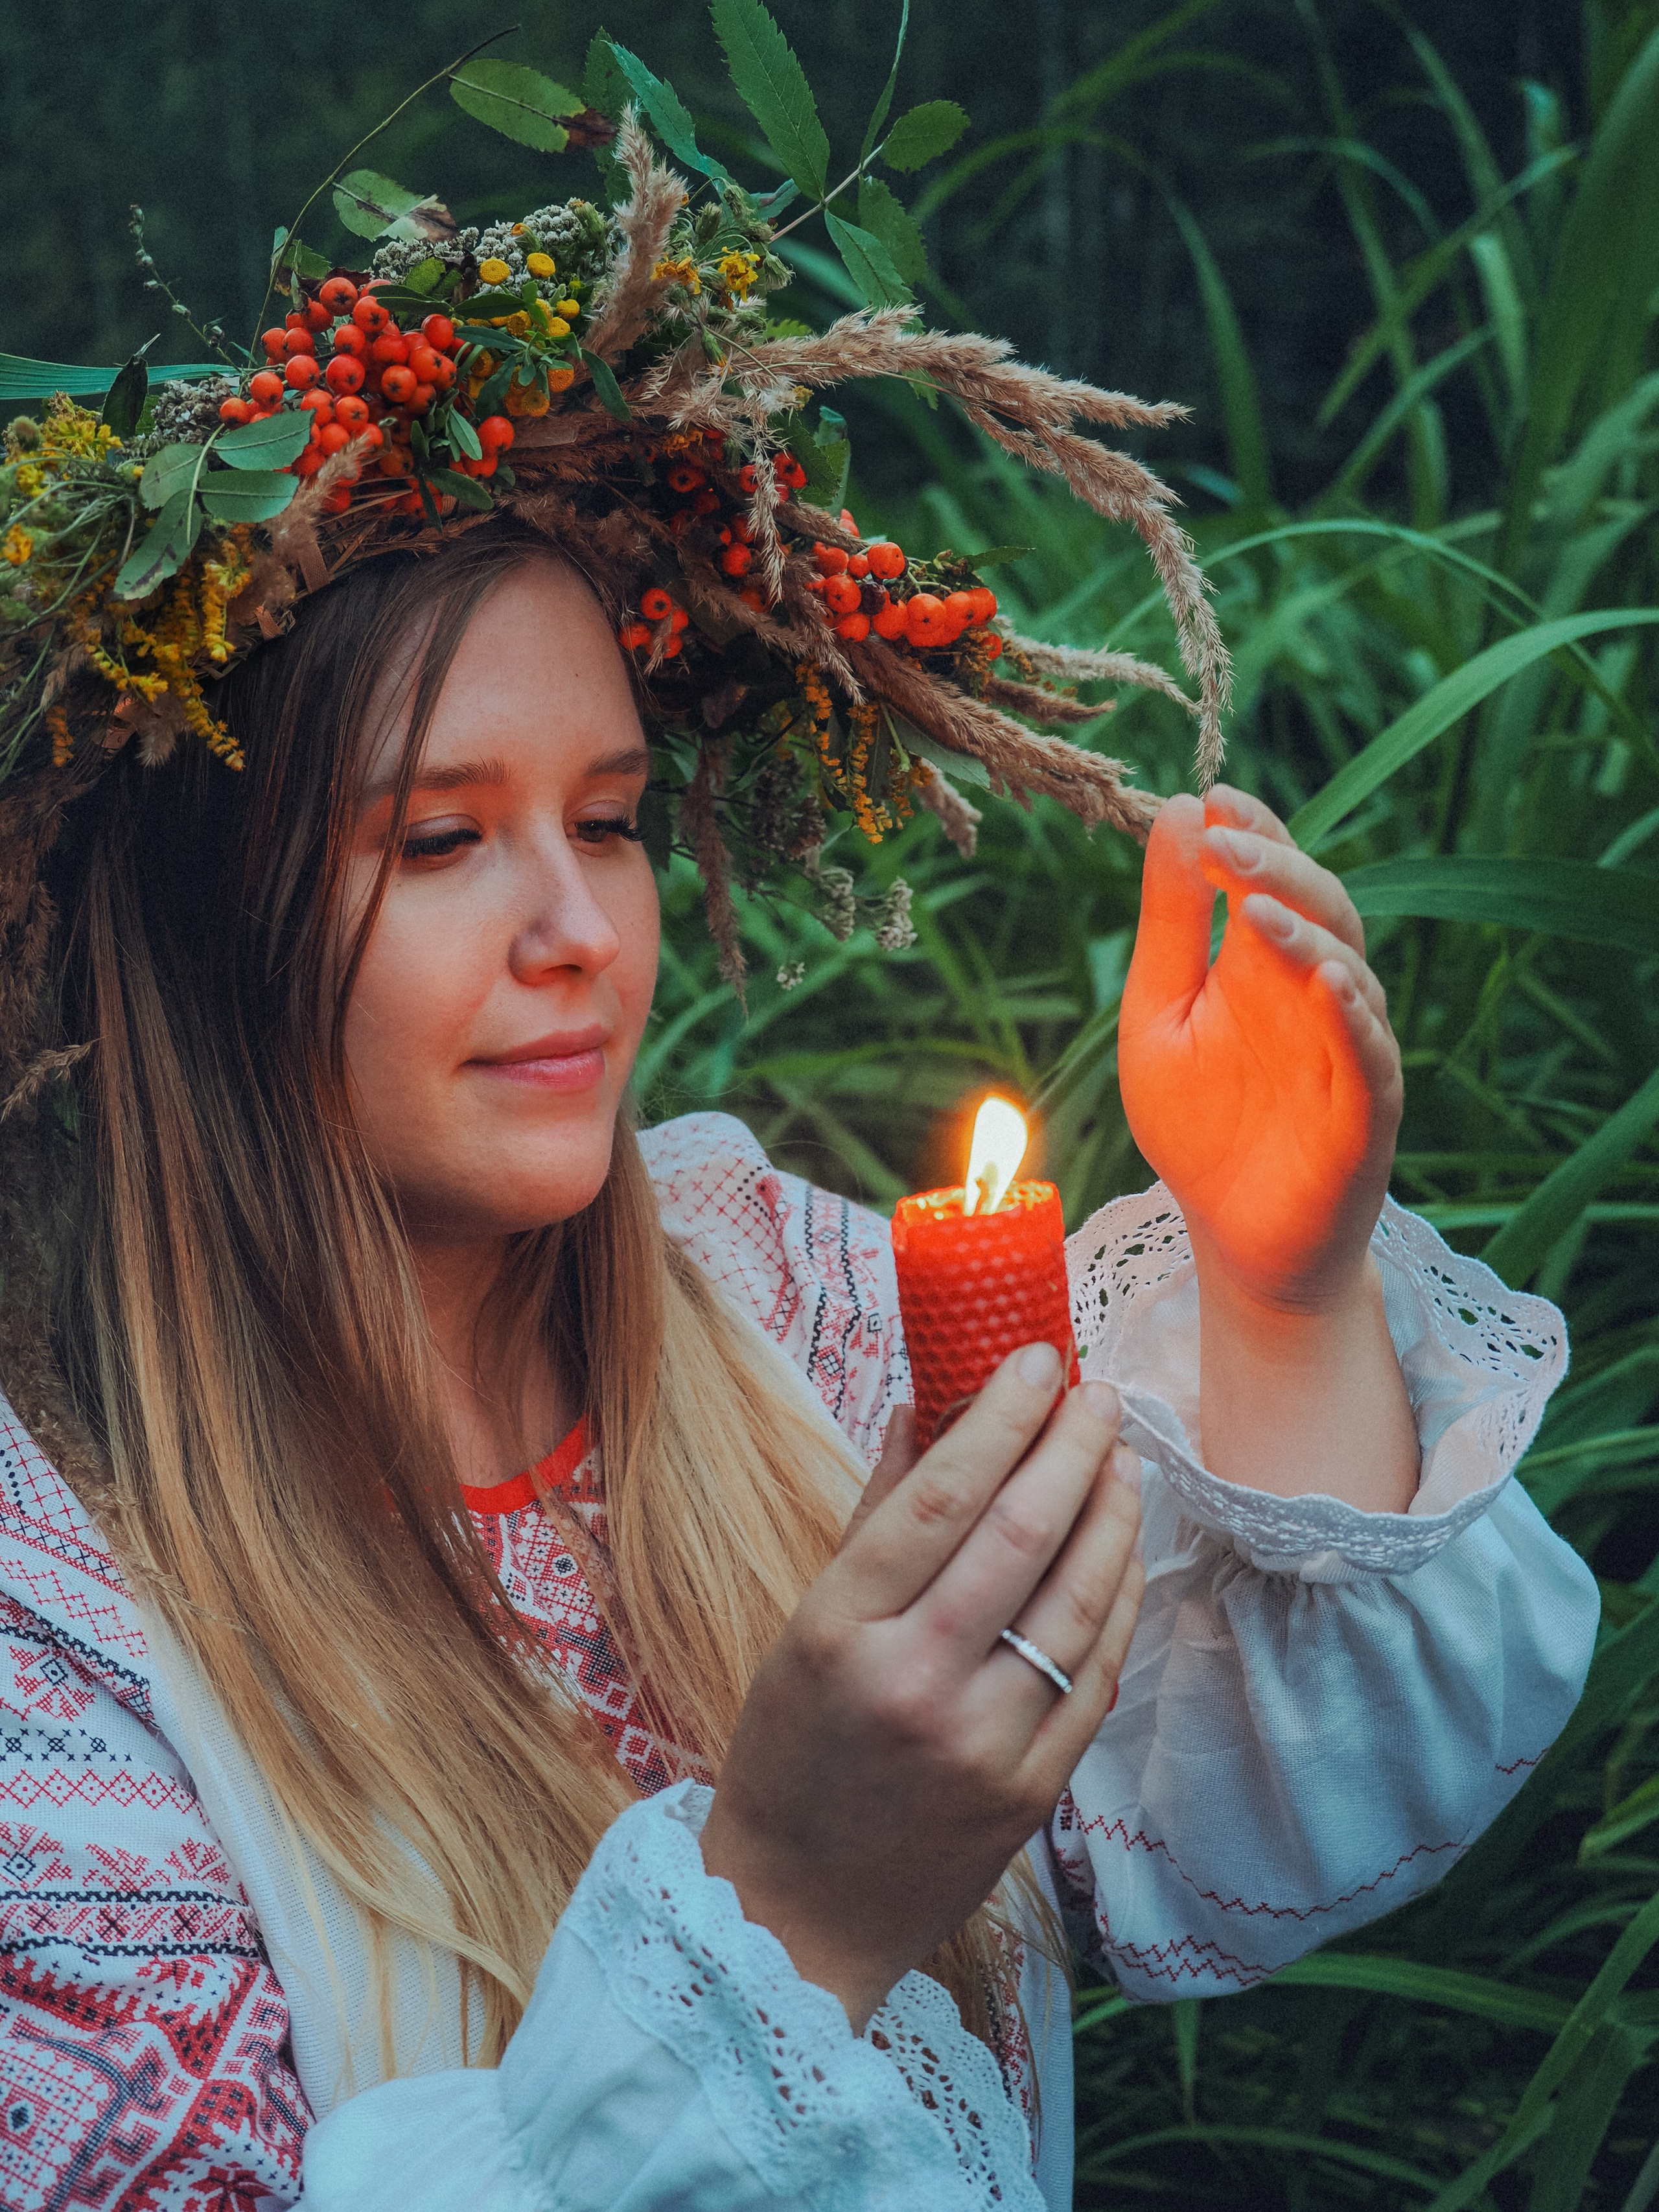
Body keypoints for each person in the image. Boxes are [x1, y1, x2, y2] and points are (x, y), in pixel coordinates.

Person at [0, 103, 1595, 2211]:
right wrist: (791, 1911)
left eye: (611, 818)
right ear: (199, 919)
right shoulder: (60, 1638)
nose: (577, 930)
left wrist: (1286, 1287)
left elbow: (1216, 1811)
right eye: (445, 838)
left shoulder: (790, 1309)